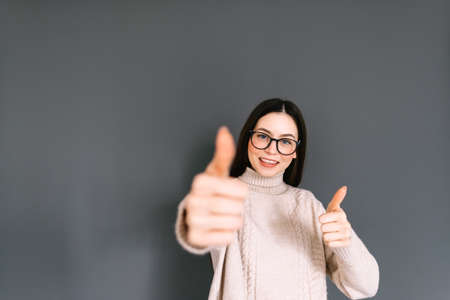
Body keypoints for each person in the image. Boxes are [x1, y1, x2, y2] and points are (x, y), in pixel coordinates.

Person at [174, 98, 379, 300]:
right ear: (248, 138)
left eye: (286, 141)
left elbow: (367, 286)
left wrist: (345, 242)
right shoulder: (227, 194)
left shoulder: (308, 205)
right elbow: (198, 227)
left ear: (296, 152)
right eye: (263, 136)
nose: (272, 149)